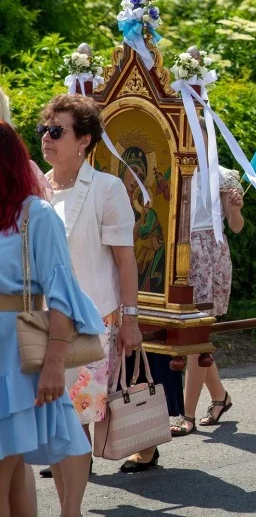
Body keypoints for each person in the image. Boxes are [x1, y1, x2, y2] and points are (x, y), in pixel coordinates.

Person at [0, 121, 105, 517]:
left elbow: (62, 297)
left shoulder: (36, 216)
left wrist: (55, 365)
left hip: (14, 358)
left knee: (5, 473)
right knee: (10, 479)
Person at [36, 94, 143, 477]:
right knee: (58, 398)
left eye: (56, 131)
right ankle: (71, 457)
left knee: (83, 402)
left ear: (83, 141)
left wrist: (130, 318)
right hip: (46, 316)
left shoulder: (106, 188)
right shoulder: (39, 189)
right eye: (43, 129)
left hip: (94, 313)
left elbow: (125, 260)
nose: (46, 137)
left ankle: (77, 464)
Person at [171, 119, 246, 437]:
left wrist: (235, 209)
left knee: (195, 336)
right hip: (179, 255)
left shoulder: (225, 176)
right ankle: (219, 397)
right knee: (192, 338)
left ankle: (186, 414)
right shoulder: (174, 169)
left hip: (209, 255)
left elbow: (237, 226)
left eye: (201, 138)